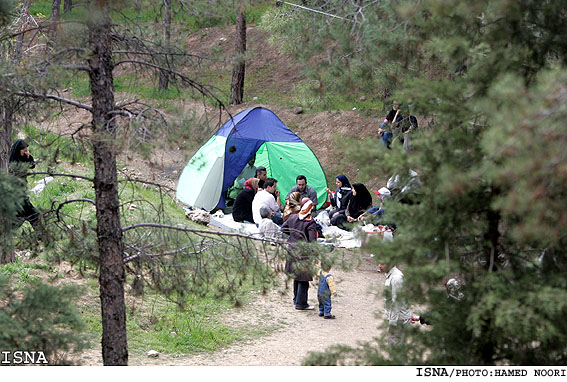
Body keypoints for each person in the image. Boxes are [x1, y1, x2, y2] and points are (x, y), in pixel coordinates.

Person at [282, 198, 318, 310]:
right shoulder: (310, 222)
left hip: (292, 249)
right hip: (303, 253)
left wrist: (292, 236)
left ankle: (296, 299)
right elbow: (312, 241)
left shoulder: (293, 217)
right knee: (303, 279)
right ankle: (301, 303)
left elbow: (283, 228)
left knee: (296, 277)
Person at [8, 139, 40, 228]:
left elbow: (32, 165)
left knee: (20, 217)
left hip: (22, 193)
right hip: (16, 195)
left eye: (27, 150)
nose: (26, 152)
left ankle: (7, 234)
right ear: (18, 150)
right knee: (34, 215)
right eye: (24, 150)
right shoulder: (11, 162)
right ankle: (42, 234)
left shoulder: (23, 158)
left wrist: (28, 156)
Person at [380, 263, 412, 346]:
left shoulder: (396, 278)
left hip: (399, 319)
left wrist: (392, 323)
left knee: (396, 347)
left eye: (382, 263)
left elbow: (397, 301)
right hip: (396, 317)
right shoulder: (390, 275)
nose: (379, 266)